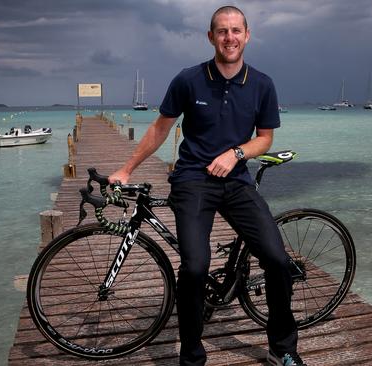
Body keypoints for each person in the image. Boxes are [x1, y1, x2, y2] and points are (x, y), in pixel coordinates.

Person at [109, 6, 305, 366]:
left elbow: (264, 139)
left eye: (235, 31)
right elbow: (159, 128)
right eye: (222, 31)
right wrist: (126, 169)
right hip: (193, 180)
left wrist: (236, 153)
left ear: (247, 35)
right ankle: (192, 357)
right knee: (195, 267)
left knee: (277, 261)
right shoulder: (189, 79)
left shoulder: (262, 84)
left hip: (237, 180)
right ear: (210, 37)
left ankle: (283, 348)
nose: (229, 38)